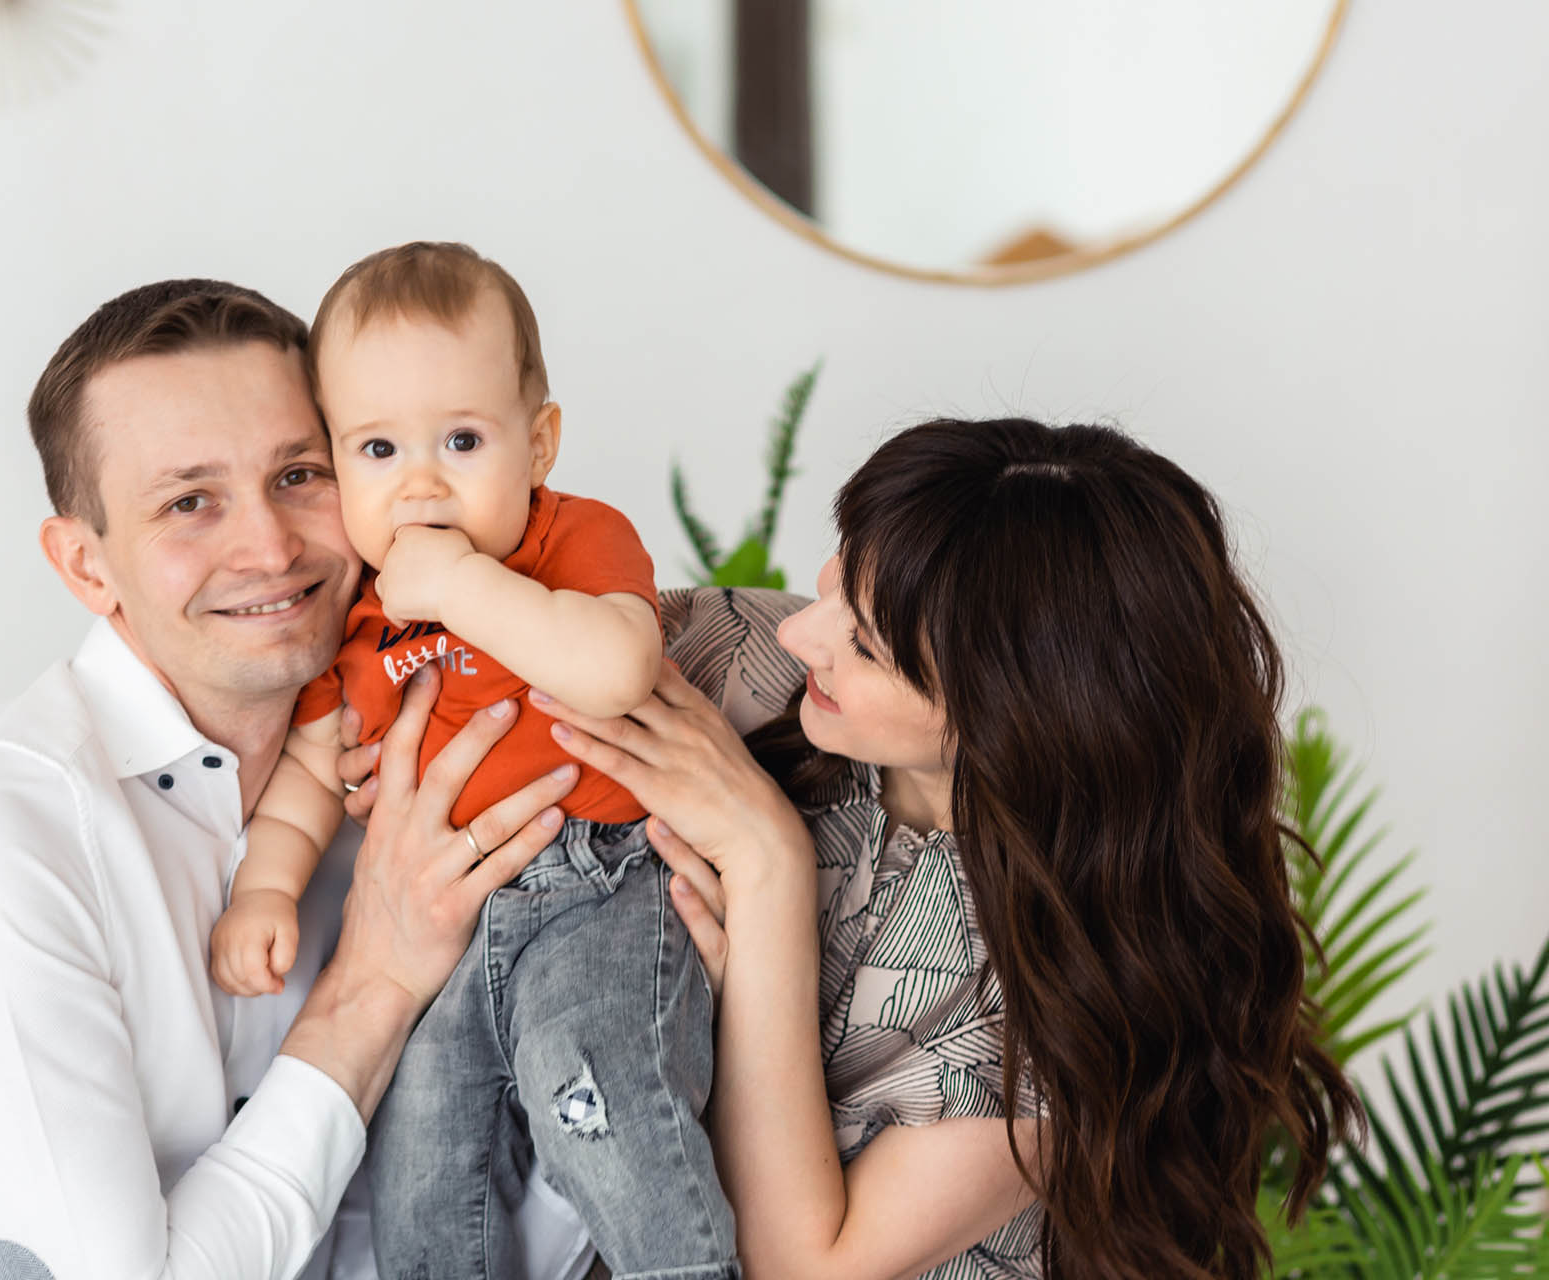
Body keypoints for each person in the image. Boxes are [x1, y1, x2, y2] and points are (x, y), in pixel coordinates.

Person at [0, 278, 593, 1280]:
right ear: (86, 565)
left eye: (299, 474)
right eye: (189, 502)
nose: (270, 547)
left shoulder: (385, 808)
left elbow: (402, 1242)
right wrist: (372, 987)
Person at [537, 419, 1363, 1279]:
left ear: (1012, 717)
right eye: (837, 578)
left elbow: (799, 1267)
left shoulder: (1067, 996)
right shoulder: (742, 660)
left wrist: (768, 865)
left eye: (865, 644)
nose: (801, 635)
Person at [212, 242, 737, 1280]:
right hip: (442, 930)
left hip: (598, 885)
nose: (420, 482)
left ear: (537, 445)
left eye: (461, 439)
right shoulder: (357, 612)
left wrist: (457, 583)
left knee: (598, 1095)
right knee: (417, 1161)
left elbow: (614, 667)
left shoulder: (569, 539)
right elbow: (313, 770)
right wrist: (265, 889)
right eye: (377, 449)